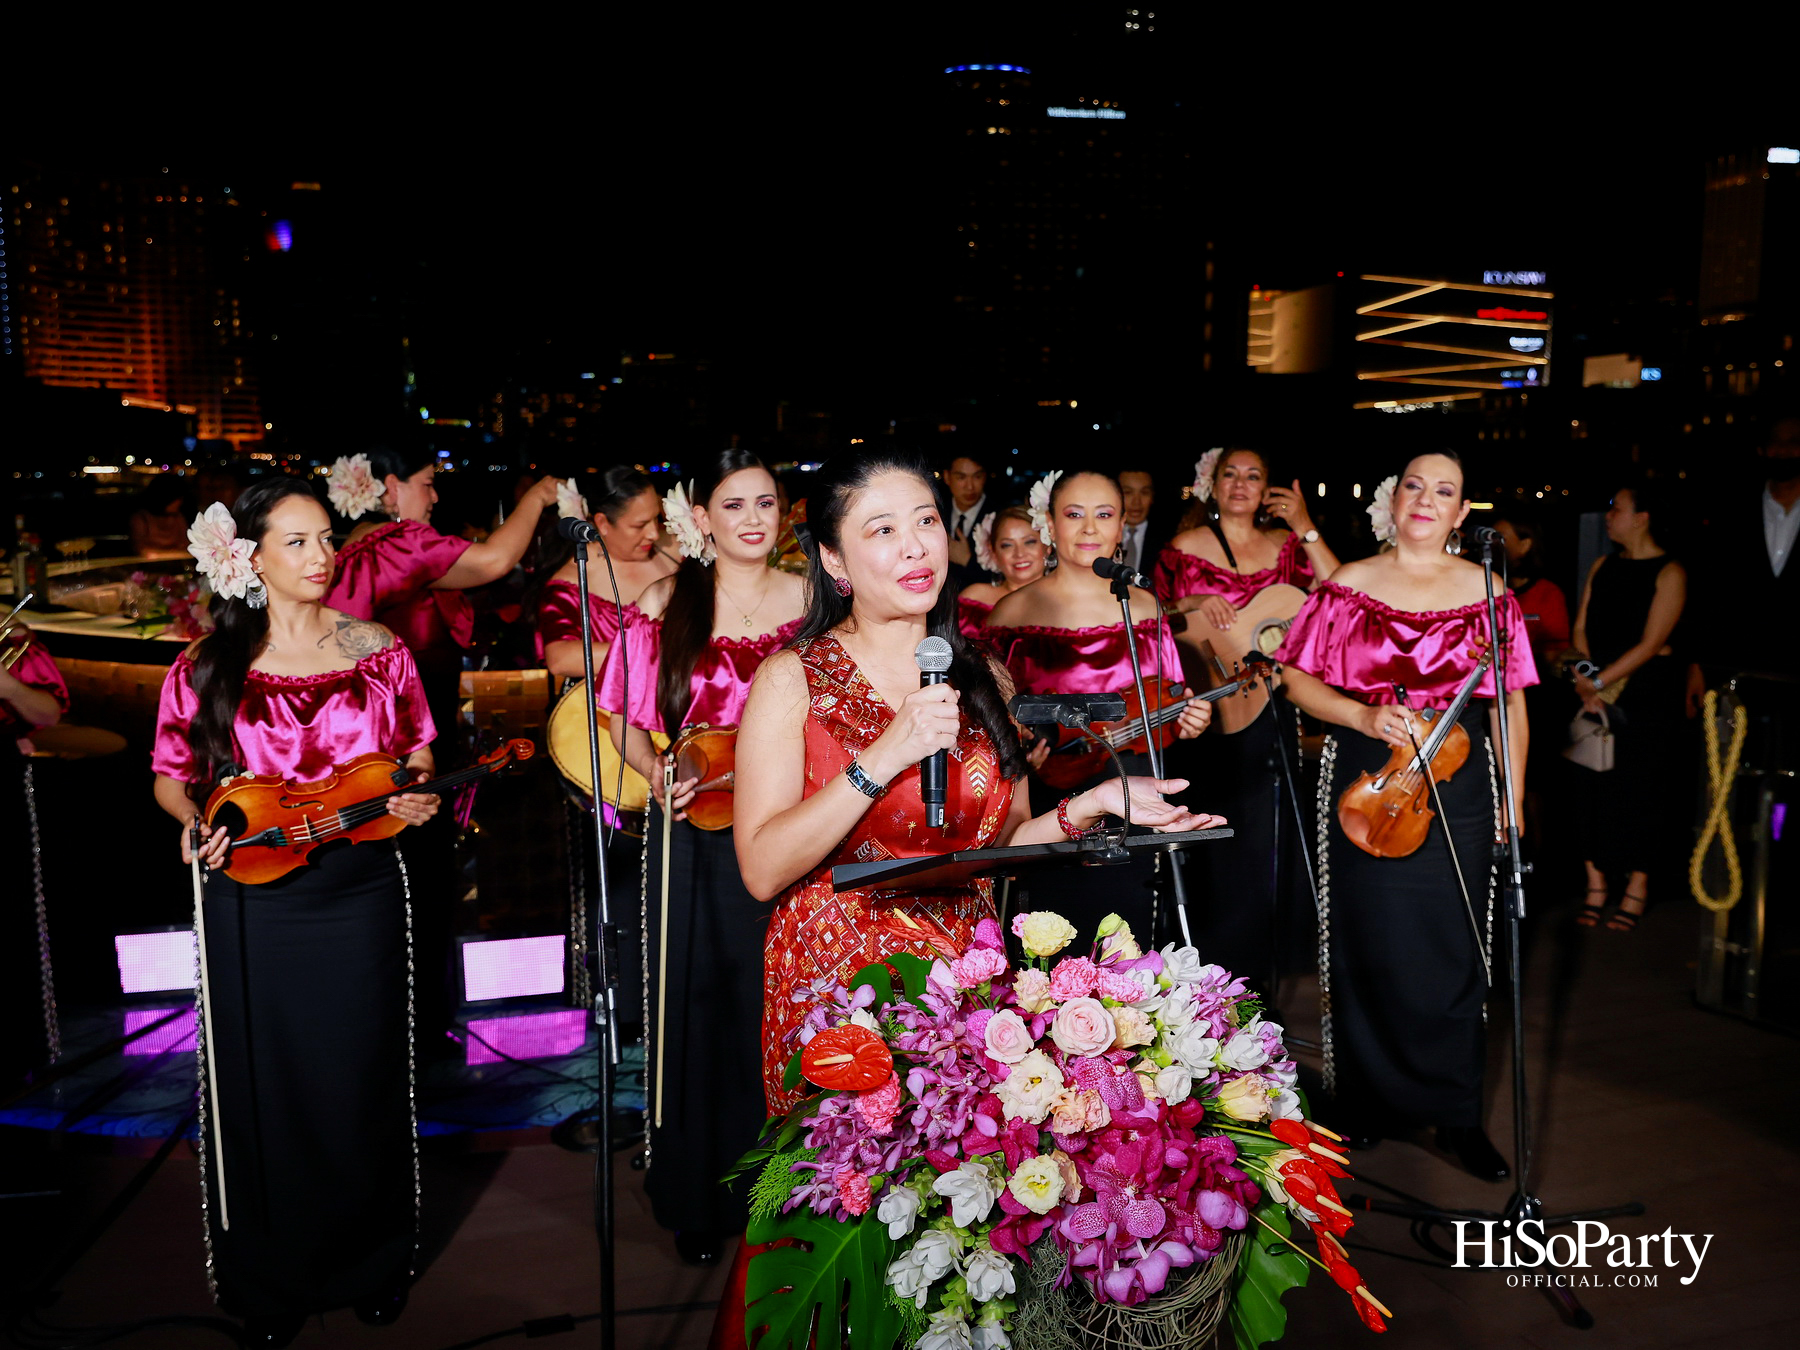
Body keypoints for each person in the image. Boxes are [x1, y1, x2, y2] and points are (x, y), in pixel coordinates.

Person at [149, 479, 440, 1345]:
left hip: (361, 893)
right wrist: (196, 824)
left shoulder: (378, 648)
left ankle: (374, 1262)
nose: (323, 558)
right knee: (266, 1090)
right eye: (299, 543)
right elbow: (171, 780)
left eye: (327, 540)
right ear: (250, 559)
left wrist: (417, 798)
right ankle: (270, 1281)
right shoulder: (208, 664)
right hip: (252, 902)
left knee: (365, 1079)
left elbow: (416, 759)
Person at [1277, 451, 1535, 1182]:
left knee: (1453, 950)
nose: (1426, 499)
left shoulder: (1489, 591)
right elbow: (1294, 679)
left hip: (1457, 785)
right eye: (1414, 485)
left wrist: (1510, 803)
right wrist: (1359, 710)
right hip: (1368, 779)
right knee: (1365, 943)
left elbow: (1512, 705)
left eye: (1444, 490)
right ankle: (1361, 1102)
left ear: (1460, 515)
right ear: (1394, 501)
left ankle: (1455, 1115)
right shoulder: (1350, 584)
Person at [599, 450, 806, 1268]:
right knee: (699, 1007)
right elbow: (618, 718)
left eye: (766, 502)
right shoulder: (665, 601)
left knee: (784, 1006)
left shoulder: (815, 600)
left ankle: (794, 1188)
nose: (752, 518)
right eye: (734, 504)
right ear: (703, 514)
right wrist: (654, 771)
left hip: (794, 834)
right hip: (695, 835)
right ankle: (699, 1193)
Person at [323, 445, 559, 1044]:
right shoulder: (399, 541)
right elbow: (495, 560)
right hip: (409, 720)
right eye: (428, 483)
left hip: (362, 732)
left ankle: (391, 1019)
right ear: (390, 486)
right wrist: (537, 495)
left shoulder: (355, 550)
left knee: (390, 863)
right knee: (419, 868)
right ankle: (421, 1025)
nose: (435, 497)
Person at [984, 469, 1213, 939]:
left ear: (1123, 523)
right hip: (1046, 805)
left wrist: (1192, 720)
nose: (1090, 528)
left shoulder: (1146, 608)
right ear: (1050, 521)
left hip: (1135, 798)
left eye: (1104, 514)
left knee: (1131, 944)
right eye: (1074, 514)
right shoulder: (1011, 616)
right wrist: (1015, 743)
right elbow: (989, 722)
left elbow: (1171, 705)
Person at [1154, 449, 1341, 991]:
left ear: (1268, 490)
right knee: (1211, 840)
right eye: (1230, 474)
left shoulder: (1286, 549)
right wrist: (1193, 598)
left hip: (1271, 710)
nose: (1240, 484)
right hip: (1202, 712)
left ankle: (1256, 988)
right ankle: (1199, 981)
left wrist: (1305, 526)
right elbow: (1145, 616)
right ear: (1212, 484)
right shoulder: (1185, 549)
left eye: (1253, 475)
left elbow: (1341, 594)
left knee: (1265, 844)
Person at [1568, 478, 1687, 933]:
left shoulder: (1670, 571)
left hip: (1645, 695)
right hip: (1592, 689)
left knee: (1641, 789)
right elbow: (1581, 627)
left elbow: (1653, 641)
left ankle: (1637, 884)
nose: (1608, 516)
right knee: (1587, 784)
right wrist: (1584, 675)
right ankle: (1595, 883)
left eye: (1617, 508)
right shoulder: (1603, 564)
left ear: (1642, 517)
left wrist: (1600, 680)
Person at [1, 618, 67, 1087]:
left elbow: (49, 714)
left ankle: (15, 1053)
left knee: (12, 913)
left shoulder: (13, 639)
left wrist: (4, 684)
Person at [535, 466, 677, 680]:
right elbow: (560, 658)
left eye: (656, 519)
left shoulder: (676, 550)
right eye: (640, 525)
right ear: (602, 523)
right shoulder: (573, 581)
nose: (654, 534)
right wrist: (661, 654)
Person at [954, 504, 1047, 637]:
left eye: (1029, 542)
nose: (1019, 554)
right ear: (993, 552)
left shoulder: (1067, 602)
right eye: (1007, 545)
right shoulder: (973, 600)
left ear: (1047, 546)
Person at [1493, 511, 1571, 669]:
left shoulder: (1547, 594)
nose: (1491, 546)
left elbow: (1555, 652)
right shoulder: (1484, 588)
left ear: (1524, 546)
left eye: (1500, 539)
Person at [942, 452, 991, 587]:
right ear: (947, 477)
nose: (969, 486)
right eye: (961, 477)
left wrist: (967, 560)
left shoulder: (999, 516)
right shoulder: (936, 512)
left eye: (977, 476)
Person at [127, 474, 195, 557]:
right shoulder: (141, 519)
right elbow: (141, 550)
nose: (180, 502)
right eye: (178, 498)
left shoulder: (178, 518)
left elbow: (187, 546)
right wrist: (174, 553)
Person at [1117, 466, 1158, 574]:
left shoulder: (1168, 542)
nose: (1136, 502)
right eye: (1128, 492)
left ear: (1152, 496)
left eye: (1144, 493)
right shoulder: (1103, 536)